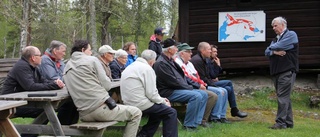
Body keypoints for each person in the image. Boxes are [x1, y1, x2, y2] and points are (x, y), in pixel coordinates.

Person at [63, 40, 142, 137]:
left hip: (83, 113)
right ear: (83, 50)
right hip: (100, 109)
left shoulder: (66, 66)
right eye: (90, 50)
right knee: (136, 113)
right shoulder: (92, 60)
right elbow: (107, 85)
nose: (91, 52)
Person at [153, 38, 207, 131]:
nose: (177, 50)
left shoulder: (170, 60)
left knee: (204, 94)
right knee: (196, 96)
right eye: (175, 47)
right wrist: (190, 88)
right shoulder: (161, 63)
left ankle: (197, 122)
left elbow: (182, 77)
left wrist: (196, 86)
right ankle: (189, 125)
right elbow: (173, 82)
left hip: (175, 89)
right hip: (167, 92)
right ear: (169, 50)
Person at [121, 49, 178, 137]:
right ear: (152, 61)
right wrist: (163, 101)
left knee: (159, 112)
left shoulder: (131, 66)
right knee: (171, 112)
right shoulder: (147, 69)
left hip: (128, 101)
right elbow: (151, 94)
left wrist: (161, 101)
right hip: (139, 103)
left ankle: (144, 135)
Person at [190, 42, 248, 118]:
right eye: (210, 50)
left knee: (227, 88)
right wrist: (215, 85)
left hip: (208, 82)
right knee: (226, 86)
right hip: (204, 84)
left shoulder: (207, 60)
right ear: (203, 51)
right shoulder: (200, 61)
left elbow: (212, 75)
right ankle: (224, 113)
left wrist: (218, 65)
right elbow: (204, 78)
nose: (213, 52)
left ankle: (222, 116)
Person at [175, 43, 229, 123]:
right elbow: (187, 78)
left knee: (224, 90)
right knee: (216, 93)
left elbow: (204, 76)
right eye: (189, 51)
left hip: (198, 85)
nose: (191, 53)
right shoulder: (189, 62)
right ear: (182, 53)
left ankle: (220, 116)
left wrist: (203, 83)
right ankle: (211, 118)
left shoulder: (190, 63)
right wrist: (201, 85)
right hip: (189, 87)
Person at [265, 16, 299, 129]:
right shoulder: (276, 39)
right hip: (277, 72)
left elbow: (274, 47)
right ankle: (288, 122)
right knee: (285, 97)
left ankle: (280, 123)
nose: (274, 28)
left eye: (275, 25)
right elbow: (266, 52)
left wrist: (272, 48)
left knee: (282, 97)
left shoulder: (291, 35)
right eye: (273, 26)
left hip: (286, 71)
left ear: (283, 25)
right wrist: (274, 52)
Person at [39, 40, 79, 125]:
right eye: (63, 51)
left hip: (57, 90)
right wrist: (65, 79)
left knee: (74, 101)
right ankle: (61, 130)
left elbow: (65, 75)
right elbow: (53, 78)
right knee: (69, 103)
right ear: (55, 51)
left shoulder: (58, 60)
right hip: (46, 92)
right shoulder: (45, 60)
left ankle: (67, 129)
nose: (64, 54)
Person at [208, 44, 248, 119]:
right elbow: (213, 75)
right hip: (209, 83)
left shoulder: (212, 61)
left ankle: (226, 113)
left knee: (228, 89)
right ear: (209, 52)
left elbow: (214, 75)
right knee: (229, 82)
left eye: (216, 52)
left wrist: (215, 73)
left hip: (212, 81)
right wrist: (218, 65)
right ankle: (234, 109)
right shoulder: (208, 61)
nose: (216, 53)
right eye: (214, 52)